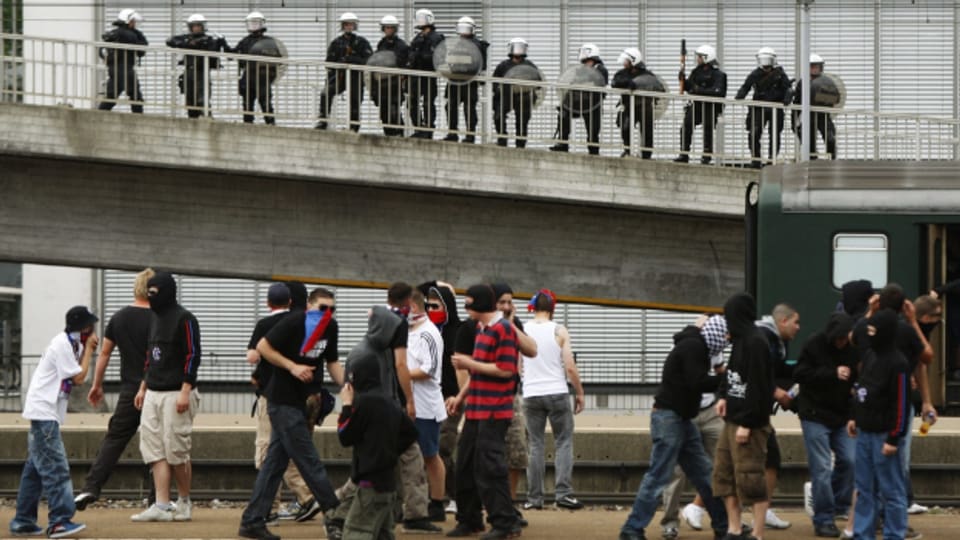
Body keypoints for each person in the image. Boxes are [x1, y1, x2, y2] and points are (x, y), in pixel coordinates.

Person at [328, 284, 440, 536]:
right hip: (390, 412)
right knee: (409, 459)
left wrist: (348, 408)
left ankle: (337, 509)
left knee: (367, 468)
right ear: (408, 302)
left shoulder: (362, 347)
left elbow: (346, 433)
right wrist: (409, 401)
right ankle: (414, 513)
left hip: (369, 421)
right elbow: (401, 365)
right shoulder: (397, 326)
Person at [238, 287, 343, 540]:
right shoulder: (293, 322)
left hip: (300, 401)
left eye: (331, 310)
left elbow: (332, 362)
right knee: (309, 461)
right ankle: (335, 517)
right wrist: (292, 366)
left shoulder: (331, 327)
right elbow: (263, 347)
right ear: (309, 306)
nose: (326, 315)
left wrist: (349, 390)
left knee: (274, 464)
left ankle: (252, 520)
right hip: (282, 401)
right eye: (321, 309)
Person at [618, 314, 729, 540]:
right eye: (726, 336)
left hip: (678, 418)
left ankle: (725, 525)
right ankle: (632, 528)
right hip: (672, 418)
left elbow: (693, 381)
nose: (726, 341)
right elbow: (696, 382)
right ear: (716, 333)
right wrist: (727, 380)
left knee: (702, 473)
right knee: (663, 474)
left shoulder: (693, 345)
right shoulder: (694, 348)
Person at [9, 306, 98, 538]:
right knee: (56, 468)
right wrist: (90, 350)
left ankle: (23, 520)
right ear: (83, 328)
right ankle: (60, 521)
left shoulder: (70, 343)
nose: (93, 330)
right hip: (44, 412)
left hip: (44, 411)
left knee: (35, 471)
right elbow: (79, 377)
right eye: (90, 326)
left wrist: (85, 348)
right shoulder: (63, 344)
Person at [74, 268, 155, 510]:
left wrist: (97, 385)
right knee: (157, 445)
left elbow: (105, 353)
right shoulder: (160, 319)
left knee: (114, 440)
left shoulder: (119, 318)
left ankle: (91, 487)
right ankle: (156, 499)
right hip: (156, 389)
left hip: (129, 390)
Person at [446, 284, 522, 539]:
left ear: (479, 305)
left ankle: (504, 523)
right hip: (477, 410)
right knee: (465, 464)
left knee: (490, 467)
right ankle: (470, 518)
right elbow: (478, 372)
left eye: (468, 304)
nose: (466, 309)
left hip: (493, 411)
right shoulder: (482, 329)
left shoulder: (503, 330)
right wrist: (460, 397)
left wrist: (469, 363)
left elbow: (506, 369)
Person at [131, 272, 201, 523]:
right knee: (153, 448)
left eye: (155, 292)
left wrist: (185, 389)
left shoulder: (186, 319)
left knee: (176, 449)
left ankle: (184, 501)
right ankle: (161, 503)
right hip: (153, 391)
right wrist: (143, 387)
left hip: (176, 392)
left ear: (167, 292)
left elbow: (193, 356)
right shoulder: (153, 318)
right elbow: (150, 356)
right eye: (148, 291)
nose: (151, 296)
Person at [247, 283, 318, 522]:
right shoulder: (307, 325)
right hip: (303, 396)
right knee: (293, 449)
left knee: (268, 451)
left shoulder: (267, 325)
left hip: (274, 396)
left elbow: (253, 355)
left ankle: (276, 506)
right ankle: (306, 498)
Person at [337, 347, 419, 540]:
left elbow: (344, 436)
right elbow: (411, 432)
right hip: (388, 483)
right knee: (383, 534)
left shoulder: (364, 404)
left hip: (369, 483)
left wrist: (347, 406)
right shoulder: (389, 401)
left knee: (356, 532)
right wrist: (388, 450)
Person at [713, 292, 774, 540]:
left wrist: (747, 424)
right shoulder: (739, 341)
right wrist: (723, 396)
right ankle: (734, 528)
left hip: (750, 424)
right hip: (731, 420)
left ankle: (757, 533)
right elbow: (732, 374)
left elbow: (759, 387)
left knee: (751, 478)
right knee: (724, 475)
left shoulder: (757, 343)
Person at [660, 325, 729, 539]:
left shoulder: (714, 347)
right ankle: (670, 522)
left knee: (722, 463)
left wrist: (725, 391)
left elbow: (720, 371)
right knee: (677, 471)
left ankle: (727, 520)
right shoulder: (687, 347)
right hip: (685, 413)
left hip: (710, 411)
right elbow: (693, 381)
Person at [848, 309, 911, 540]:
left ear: (884, 333)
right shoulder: (870, 356)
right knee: (864, 489)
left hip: (884, 435)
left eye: (873, 331)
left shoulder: (898, 363)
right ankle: (863, 534)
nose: (870, 335)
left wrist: (895, 437)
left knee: (891, 490)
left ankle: (894, 534)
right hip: (865, 431)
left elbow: (901, 404)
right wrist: (855, 417)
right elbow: (861, 388)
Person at [521, 289, 586, 511]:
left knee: (535, 445)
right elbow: (569, 366)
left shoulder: (523, 329)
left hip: (531, 394)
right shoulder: (559, 330)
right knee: (563, 442)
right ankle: (564, 494)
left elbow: (518, 363)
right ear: (552, 309)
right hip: (557, 392)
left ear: (534, 307)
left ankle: (534, 499)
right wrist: (579, 392)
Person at [793, 313, 857, 538]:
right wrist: (832, 373)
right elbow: (800, 373)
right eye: (838, 339)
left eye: (844, 339)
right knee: (821, 467)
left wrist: (852, 414)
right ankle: (823, 518)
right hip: (814, 414)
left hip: (840, 415)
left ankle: (837, 503)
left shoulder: (853, 349)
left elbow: (856, 384)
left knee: (850, 461)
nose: (841, 343)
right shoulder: (814, 344)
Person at [416, 280, 463, 519]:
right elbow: (411, 293)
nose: (431, 310)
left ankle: (455, 496)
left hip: (452, 397)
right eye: (429, 306)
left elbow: (459, 369)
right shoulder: (425, 330)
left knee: (442, 447)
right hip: (429, 397)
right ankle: (437, 497)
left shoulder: (458, 330)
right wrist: (433, 284)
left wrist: (456, 395)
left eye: (437, 306)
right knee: (429, 449)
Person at [754, 304, 801, 531]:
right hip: (751, 413)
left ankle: (761, 511)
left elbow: (778, 370)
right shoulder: (765, 339)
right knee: (767, 460)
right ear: (783, 321)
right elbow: (757, 372)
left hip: (756, 411)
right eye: (796, 322)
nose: (798, 328)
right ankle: (700, 507)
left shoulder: (776, 341)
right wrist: (775, 391)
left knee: (759, 461)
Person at [407, 291, 449, 522]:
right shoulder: (405, 331)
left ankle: (437, 502)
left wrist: (401, 374)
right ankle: (413, 502)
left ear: (413, 306)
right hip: (407, 402)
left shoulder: (429, 333)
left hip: (426, 405)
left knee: (430, 454)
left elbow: (429, 370)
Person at [735, 47, 793, 168]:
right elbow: (746, 86)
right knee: (754, 133)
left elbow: (788, 88)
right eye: (763, 60)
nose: (765, 63)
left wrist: (787, 97)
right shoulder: (755, 74)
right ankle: (755, 159)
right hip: (758, 108)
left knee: (774, 134)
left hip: (775, 108)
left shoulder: (780, 74)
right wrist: (740, 96)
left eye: (768, 60)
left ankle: (772, 159)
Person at [166, 14, 231, 119]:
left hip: (202, 72)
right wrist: (188, 44)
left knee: (202, 99)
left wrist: (217, 41)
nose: (196, 28)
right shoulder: (186, 38)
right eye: (193, 26)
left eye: (198, 25)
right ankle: (192, 122)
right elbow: (170, 41)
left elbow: (213, 50)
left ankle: (208, 118)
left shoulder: (209, 39)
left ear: (202, 26)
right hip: (188, 72)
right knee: (190, 101)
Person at [316, 12, 372, 132]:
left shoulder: (362, 42)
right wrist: (339, 64)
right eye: (346, 24)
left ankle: (354, 126)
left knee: (355, 100)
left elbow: (368, 60)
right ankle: (323, 120)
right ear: (343, 26)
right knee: (326, 93)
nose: (349, 27)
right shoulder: (336, 43)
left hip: (356, 77)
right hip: (339, 76)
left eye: (351, 24)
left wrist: (352, 60)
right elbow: (329, 62)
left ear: (354, 26)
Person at [549, 43, 608, 155]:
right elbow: (573, 84)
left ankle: (593, 152)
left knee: (593, 131)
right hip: (578, 102)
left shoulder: (601, 69)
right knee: (563, 116)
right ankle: (562, 144)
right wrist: (565, 103)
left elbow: (598, 82)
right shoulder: (580, 69)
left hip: (593, 104)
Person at [675, 44, 726, 164]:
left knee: (707, 130)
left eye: (700, 57)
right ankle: (684, 153)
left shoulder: (719, 75)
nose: (697, 59)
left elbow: (719, 92)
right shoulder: (696, 72)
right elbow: (690, 87)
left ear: (707, 58)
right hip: (697, 105)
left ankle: (706, 156)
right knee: (686, 126)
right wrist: (683, 80)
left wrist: (699, 91)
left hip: (710, 106)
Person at [444, 16, 488, 144]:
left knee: (469, 109)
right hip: (455, 80)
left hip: (469, 82)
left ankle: (470, 135)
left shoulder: (477, 45)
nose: (463, 32)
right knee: (450, 106)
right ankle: (452, 133)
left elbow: (478, 64)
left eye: (466, 28)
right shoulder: (457, 44)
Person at [97, 9, 147, 113]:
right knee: (135, 96)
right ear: (127, 21)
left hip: (117, 69)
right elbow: (141, 47)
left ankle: (98, 115)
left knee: (111, 96)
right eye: (132, 21)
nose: (134, 24)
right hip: (123, 69)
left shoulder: (118, 33)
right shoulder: (126, 34)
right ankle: (138, 118)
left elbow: (141, 49)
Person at [611, 47, 658, 159]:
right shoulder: (622, 73)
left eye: (626, 60)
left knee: (647, 131)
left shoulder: (647, 74)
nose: (624, 63)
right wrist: (628, 82)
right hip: (628, 106)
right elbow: (614, 82)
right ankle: (628, 150)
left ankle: (647, 155)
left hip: (644, 106)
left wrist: (639, 85)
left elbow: (657, 86)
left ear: (633, 61)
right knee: (625, 128)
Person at [492, 38, 539, 148]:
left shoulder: (529, 65)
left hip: (523, 96)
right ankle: (502, 138)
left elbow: (538, 80)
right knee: (499, 116)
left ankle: (521, 143)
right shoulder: (503, 65)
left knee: (522, 120)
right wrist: (498, 90)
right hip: (506, 96)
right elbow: (495, 80)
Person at [234, 12, 279, 125]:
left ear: (261, 24)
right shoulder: (245, 41)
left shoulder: (268, 41)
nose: (254, 25)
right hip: (248, 75)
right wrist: (222, 43)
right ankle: (248, 125)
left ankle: (271, 124)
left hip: (262, 76)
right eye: (251, 22)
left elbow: (277, 58)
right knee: (247, 103)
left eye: (256, 22)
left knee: (265, 102)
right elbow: (233, 53)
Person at [407, 9, 445, 139]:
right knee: (412, 102)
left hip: (428, 74)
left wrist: (420, 56)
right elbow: (410, 53)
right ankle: (418, 127)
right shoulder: (418, 37)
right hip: (416, 75)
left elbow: (437, 56)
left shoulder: (436, 37)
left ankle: (428, 128)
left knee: (428, 102)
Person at [792, 54, 837, 160]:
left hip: (823, 116)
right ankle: (812, 163)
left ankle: (832, 160)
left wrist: (819, 99)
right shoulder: (802, 82)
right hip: (809, 117)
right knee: (808, 143)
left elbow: (835, 98)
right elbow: (797, 102)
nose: (814, 69)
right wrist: (793, 120)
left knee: (830, 139)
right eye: (812, 66)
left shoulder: (827, 82)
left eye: (816, 66)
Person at [372, 15, 409, 137]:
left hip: (395, 84)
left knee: (393, 110)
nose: (388, 30)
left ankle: (399, 134)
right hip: (382, 84)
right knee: (383, 112)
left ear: (395, 29)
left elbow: (402, 63)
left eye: (391, 28)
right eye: (386, 27)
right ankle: (388, 135)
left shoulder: (401, 46)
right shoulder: (381, 44)